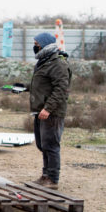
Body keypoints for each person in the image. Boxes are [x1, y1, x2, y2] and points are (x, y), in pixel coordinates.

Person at [29, 32, 72, 189]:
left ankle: (53, 179)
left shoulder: (58, 63)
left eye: (37, 43)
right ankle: (45, 175)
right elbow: (43, 85)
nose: (35, 46)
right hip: (40, 111)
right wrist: (24, 88)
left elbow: (61, 89)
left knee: (51, 145)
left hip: (52, 112)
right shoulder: (44, 61)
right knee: (42, 144)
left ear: (45, 44)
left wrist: (48, 108)